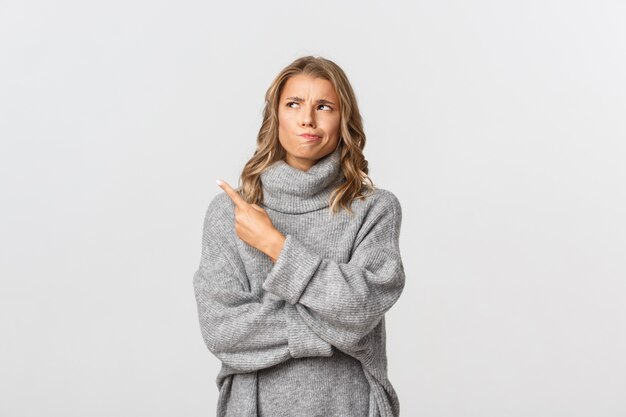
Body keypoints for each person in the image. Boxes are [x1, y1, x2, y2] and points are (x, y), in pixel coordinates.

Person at [192, 55, 406, 417]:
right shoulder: (231, 213)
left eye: (324, 106)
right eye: (294, 104)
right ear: (276, 116)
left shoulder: (375, 209)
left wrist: (275, 245)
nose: (308, 118)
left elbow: (361, 309)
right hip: (253, 407)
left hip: (352, 405)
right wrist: (336, 328)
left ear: (344, 120)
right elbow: (223, 331)